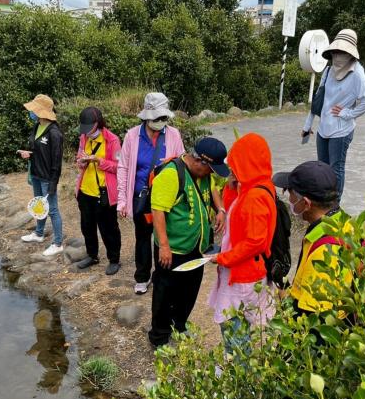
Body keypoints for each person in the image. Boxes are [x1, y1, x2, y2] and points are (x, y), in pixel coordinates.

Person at [148, 137, 229, 347]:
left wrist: (220, 209)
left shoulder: (204, 175)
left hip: (196, 246)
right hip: (173, 248)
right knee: (165, 293)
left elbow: (213, 191)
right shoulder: (171, 175)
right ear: (199, 161)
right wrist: (164, 246)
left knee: (189, 290)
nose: (211, 173)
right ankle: (159, 336)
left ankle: (180, 325)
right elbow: (158, 211)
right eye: (210, 168)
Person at [208, 133, 277, 347]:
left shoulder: (255, 197)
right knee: (238, 328)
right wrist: (231, 185)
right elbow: (231, 209)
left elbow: (255, 241)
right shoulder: (253, 186)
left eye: (236, 163)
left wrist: (224, 257)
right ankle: (239, 366)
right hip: (244, 270)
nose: (231, 169)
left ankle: (240, 370)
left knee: (233, 329)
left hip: (243, 275)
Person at [117, 92, 186, 295]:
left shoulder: (173, 134)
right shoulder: (132, 136)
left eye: (164, 118)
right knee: (143, 237)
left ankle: (161, 276)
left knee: (164, 236)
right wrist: (122, 200)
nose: (161, 122)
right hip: (142, 197)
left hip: (166, 199)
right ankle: (142, 276)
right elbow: (123, 167)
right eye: (157, 118)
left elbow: (181, 163)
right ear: (147, 116)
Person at [302, 29, 365, 198]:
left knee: (336, 169)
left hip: (341, 131)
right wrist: (307, 125)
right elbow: (318, 98)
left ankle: (335, 203)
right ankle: (323, 200)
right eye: (336, 52)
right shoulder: (328, 71)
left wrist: (348, 113)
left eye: (343, 52)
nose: (338, 56)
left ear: (350, 54)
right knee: (322, 168)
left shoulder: (357, 73)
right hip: (323, 128)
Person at [273, 161, 351, 315]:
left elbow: (314, 321)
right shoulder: (344, 222)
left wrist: (283, 296)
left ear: (306, 203)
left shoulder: (323, 254)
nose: (289, 199)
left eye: (290, 194)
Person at [74, 107, 123, 275]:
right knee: (87, 226)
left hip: (103, 192)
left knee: (109, 228)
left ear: (98, 123)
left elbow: (119, 167)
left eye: (89, 127)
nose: (86, 132)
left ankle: (114, 259)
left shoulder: (112, 140)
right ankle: (92, 255)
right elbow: (79, 157)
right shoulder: (83, 137)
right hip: (85, 190)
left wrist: (99, 160)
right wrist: (82, 161)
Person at [19, 94, 65, 256]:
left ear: (42, 111)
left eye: (34, 110)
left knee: (52, 209)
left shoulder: (54, 133)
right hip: (36, 174)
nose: (31, 112)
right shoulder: (37, 126)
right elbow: (38, 151)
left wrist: (53, 183)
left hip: (48, 177)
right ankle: (39, 234)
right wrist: (29, 154)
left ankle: (58, 242)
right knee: (39, 205)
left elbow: (56, 161)